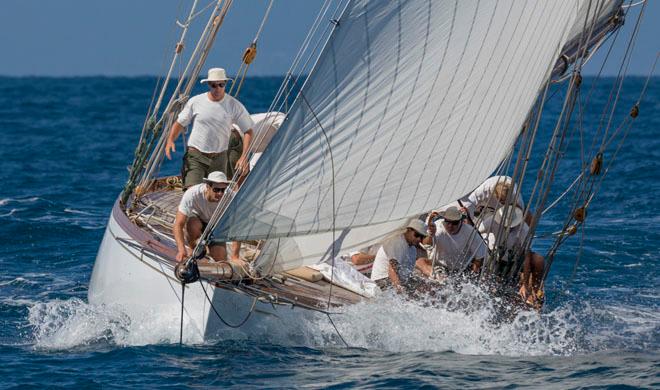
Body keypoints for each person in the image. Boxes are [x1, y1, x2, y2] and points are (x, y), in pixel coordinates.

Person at [165, 67, 255, 189]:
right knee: (192, 191)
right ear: (208, 84)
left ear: (225, 84)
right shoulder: (195, 101)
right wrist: (170, 140)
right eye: (214, 85)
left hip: (219, 158)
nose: (217, 88)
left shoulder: (234, 105)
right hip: (196, 155)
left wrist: (244, 157)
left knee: (216, 194)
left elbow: (248, 130)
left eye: (221, 85)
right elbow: (180, 123)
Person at [478, 206, 545, 304]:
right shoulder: (492, 221)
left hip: (516, 259)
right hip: (495, 257)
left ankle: (533, 292)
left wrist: (525, 284)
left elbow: (526, 258)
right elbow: (477, 231)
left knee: (539, 260)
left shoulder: (524, 230)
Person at [173, 171, 236, 263]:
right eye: (216, 190)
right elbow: (178, 224)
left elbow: (237, 225)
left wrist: (235, 256)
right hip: (198, 218)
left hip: (216, 225)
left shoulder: (231, 197)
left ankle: (207, 248)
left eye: (223, 190)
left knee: (220, 257)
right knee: (192, 224)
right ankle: (194, 249)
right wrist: (181, 249)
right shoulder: (192, 194)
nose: (220, 194)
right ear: (207, 186)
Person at [370, 220, 433, 292]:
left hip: (399, 280)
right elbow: (392, 270)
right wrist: (400, 291)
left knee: (429, 288)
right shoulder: (397, 241)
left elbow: (408, 274)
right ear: (408, 230)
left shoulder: (413, 249)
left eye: (422, 237)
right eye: (417, 235)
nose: (419, 239)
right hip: (382, 280)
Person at [423, 206, 487, 274]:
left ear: (460, 221)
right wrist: (431, 235)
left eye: (454, 223)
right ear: (444, 219)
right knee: (420, 262)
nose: (450, 225)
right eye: (448, 222)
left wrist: (472, 274)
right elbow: (426, 244)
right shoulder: (437, 226)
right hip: (439, 266)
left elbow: (480, 256)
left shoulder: (469, 231)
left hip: (461, 270)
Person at [460, 176, 526, 222]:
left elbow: (520, 211)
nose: (504, 203)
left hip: (504, 207)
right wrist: (466, 214)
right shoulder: (484, 190)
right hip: (486, 202)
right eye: (502, 201)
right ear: (495, 194)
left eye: (506, 201)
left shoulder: (514, 195)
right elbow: (470, 201)